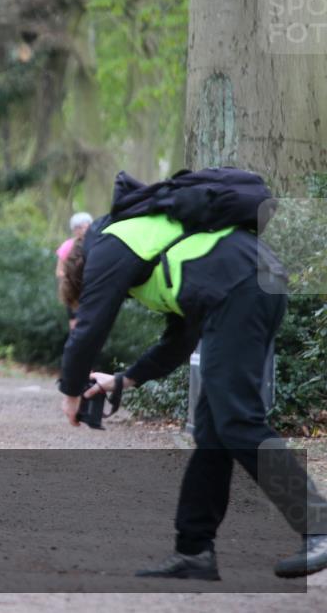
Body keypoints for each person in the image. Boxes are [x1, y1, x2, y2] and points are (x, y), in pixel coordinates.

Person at [57, 212, 327, 580]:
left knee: (237, 421)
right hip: (248, 284)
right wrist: (123, 380)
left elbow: (90, 327)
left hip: (243, 288)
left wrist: (71, 389)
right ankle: (195, 551)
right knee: (213, 432)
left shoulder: (107, 250)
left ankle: (319, 526)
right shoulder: (156, 259)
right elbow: (180, 341)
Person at [56, 212, 93, 330]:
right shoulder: (67, 246)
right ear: (73, 229)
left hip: (91, 289)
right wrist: (73, 276)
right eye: (79, 227)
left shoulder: (95, 244)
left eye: (86, 226)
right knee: (75, 326)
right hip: (73, 290)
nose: (83, 230)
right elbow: (59, 271)